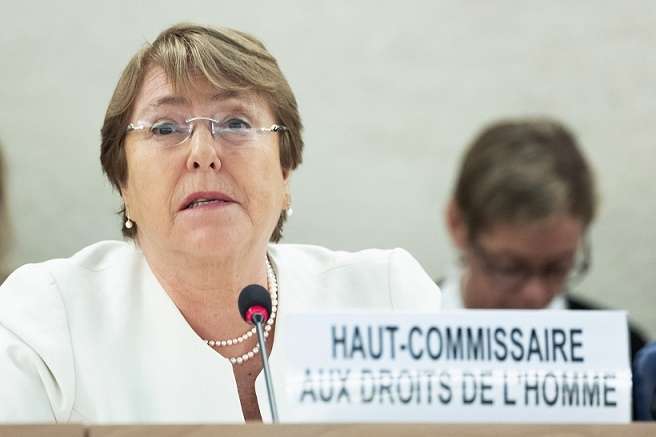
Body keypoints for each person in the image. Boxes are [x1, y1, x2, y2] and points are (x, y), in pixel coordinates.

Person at [0, 24, 441, 423]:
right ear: (123, 185)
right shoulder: (46, 320)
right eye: (165, 129)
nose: (203, 152)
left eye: (235, 122)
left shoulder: (387, 297)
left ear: (285, 171)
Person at [439, 117, 647, 360]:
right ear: (458, 224)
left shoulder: (624, 355)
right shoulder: (396, 345)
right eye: (510, 268)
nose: (535, 295)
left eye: (557, 268)